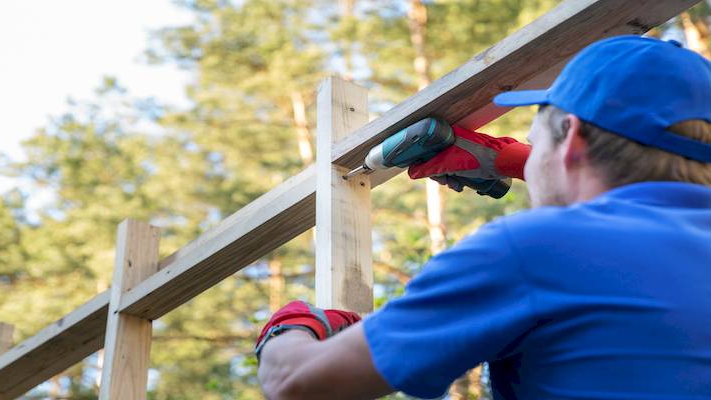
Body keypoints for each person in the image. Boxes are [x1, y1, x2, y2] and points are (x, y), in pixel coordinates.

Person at [255, 35, 711, 399]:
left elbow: (298, 385)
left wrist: (295, 324)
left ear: (571, 140)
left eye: (535, 140)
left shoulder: (535, 251)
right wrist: (512, 161)